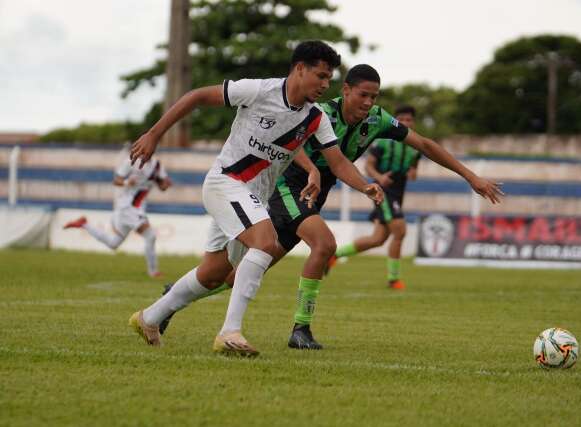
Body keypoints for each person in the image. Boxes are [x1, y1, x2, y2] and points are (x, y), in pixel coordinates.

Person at [160, 64, 504, 351]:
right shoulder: (319, 113)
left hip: (312, 196)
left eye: (375, 97)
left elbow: (426, 144)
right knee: (324, 245)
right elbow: (289, 145)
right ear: (347, 90)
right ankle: (300, 330)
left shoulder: (378, 121)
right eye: (363, 95)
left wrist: (470, 176)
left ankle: (170, 301)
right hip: (286, 188)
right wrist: (311, 168)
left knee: (236, 275)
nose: (369, 103)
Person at [127, 41, 383, 357]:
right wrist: (154, 135)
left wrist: (365, 186)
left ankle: (149, 317)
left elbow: (339, 162)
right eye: (320, 75)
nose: (324, 84)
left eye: (328, 79)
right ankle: (229, 332)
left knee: (213, 274)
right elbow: (195, 97)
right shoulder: (258, 91)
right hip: (225, 183)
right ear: (299, 69)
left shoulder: (316, 117)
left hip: (253, 198)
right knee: (266, 242)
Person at [330, 105, 421, 290]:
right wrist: (379, 177)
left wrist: (412, 172)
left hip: (398, 192)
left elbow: (413, 170)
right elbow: (369, 166)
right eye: (402, 119)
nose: (406, 123)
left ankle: (334, 255)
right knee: (400, 231)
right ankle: (393, 279)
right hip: (383, 191)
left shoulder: (414, 146)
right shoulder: (383, 143)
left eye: (409, 120)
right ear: (396, 121)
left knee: (377, 239)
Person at [63, 152, 171, 277]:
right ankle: (154, 272)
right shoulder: (131, 162)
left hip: (137, 207)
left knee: (113, 243)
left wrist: (165, 184)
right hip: (128, 206)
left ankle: (85, 224)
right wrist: (127, 183)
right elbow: (116, 181)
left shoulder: (157, 165)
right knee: (150, 235)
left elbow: (163, 185)